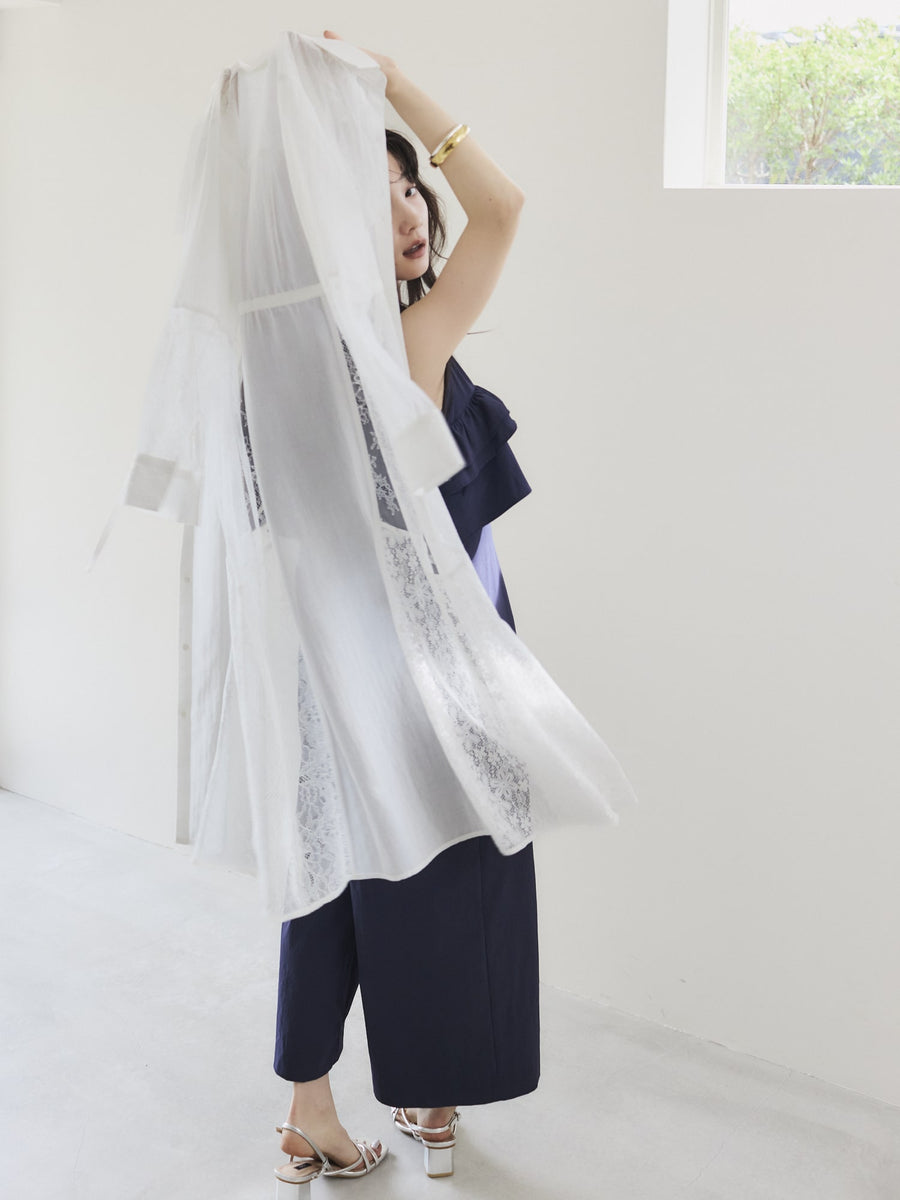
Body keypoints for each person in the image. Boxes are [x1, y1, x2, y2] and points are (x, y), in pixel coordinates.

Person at [273, 30, 535, 1188]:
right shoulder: (411, 342)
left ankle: (307, 1113)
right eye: (371, 200)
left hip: (338, 655)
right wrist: (393, 84)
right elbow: (505, 206)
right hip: (446, 660)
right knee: (459, 874)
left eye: (407, 186)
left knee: (333, 871)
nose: (410, 212)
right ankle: (434, 1097)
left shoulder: (296, 358)